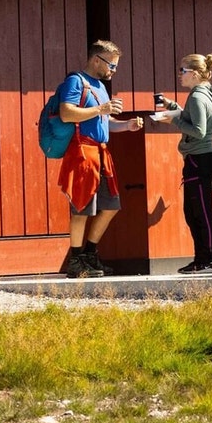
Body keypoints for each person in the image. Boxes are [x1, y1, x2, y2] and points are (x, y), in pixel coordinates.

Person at [56, 40, 144, 278]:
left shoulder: (101, 87)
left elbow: (105, 122)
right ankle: (75, 261)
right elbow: (66, 113)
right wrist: (100, 110)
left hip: (101, 152)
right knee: (81, 208)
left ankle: (89, 253)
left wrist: (126, 125)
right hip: (83, 152)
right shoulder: (76, 81)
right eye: (111, 66)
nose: (113, 71)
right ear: (97, 60)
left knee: (111, 206)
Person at [155, 53, 212, 274]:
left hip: (199, 158)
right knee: (193, 211)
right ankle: (201, 259)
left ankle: (208, 261)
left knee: (200, 212)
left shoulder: (197, 96)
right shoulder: (201, 94)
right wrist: (172, 106)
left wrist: (173, 119)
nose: (179, 75)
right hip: (199, 158)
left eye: (182, 71)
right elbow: (194, 118)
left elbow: (199, 131)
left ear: (194, 74)